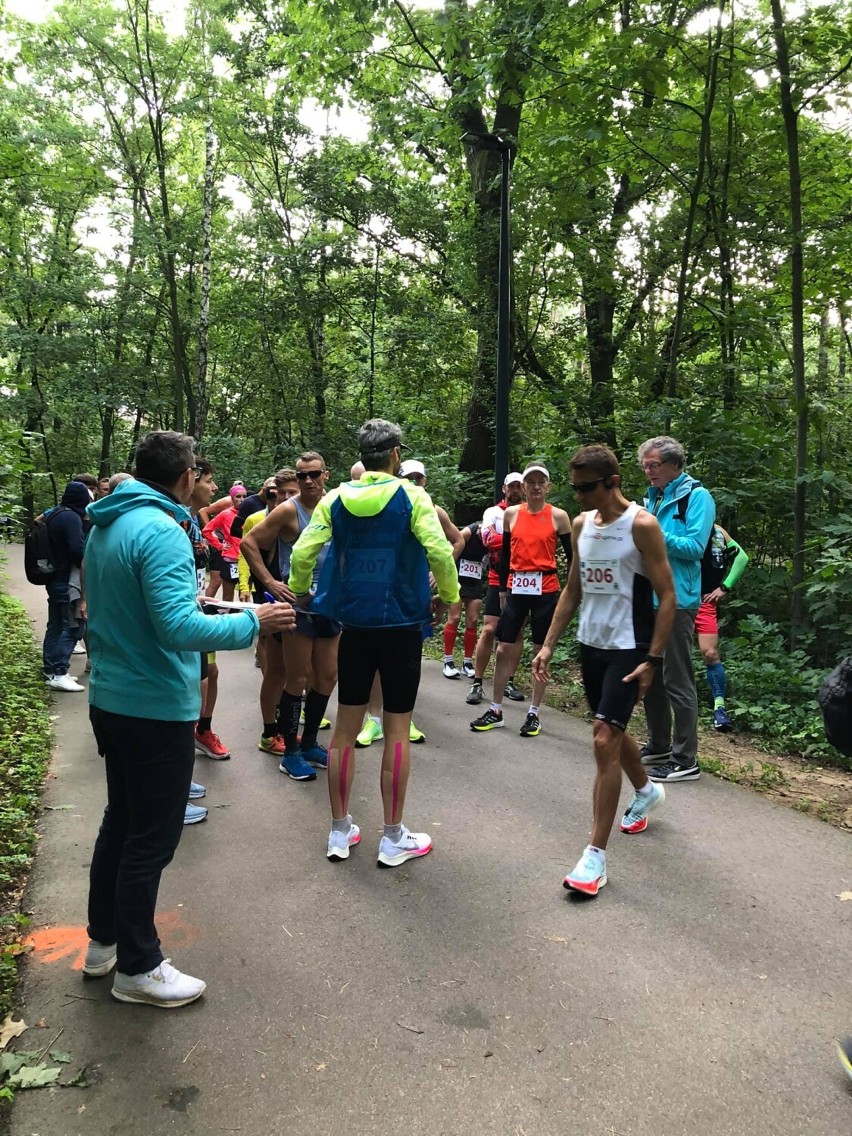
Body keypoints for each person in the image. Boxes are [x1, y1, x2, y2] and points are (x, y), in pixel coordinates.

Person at [81, 431, 294, 1008]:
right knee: (151, 837)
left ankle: (103, 945)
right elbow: (177, 629)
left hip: (112, 698)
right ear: (183, 476)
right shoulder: (160, 530)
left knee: (121, 824)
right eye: (199, 472)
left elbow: (137, 611)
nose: (203, 480)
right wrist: (255, 622)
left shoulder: (108, 524)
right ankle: (139, 967)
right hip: (151, 705)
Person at [289, 418, 460, 866]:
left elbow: (306, 550)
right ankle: (392, 837)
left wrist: (300, 586)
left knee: (345, 728)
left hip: (355, 624)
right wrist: (449, 596)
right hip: (402, 624)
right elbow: (441, 550)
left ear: (363, 456)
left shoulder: (336, 498)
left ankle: (340, 832)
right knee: (397, 730)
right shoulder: (412, 496)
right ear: (396, 454)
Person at [532, 445, 676, 896]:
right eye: (573, 487)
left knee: (601, 740)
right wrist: (549, 644)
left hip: (629, 648)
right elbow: (572, 589)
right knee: (607, 728)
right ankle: (646, 790)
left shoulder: (641, 525)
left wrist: (652, 658)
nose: (577, 496)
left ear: (612, 481)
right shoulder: (579, 525)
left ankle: (593, 857)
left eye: (585, 487)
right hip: (591, 645)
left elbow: (668, 595)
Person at [240, 452, 338, 781]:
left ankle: (309, 743)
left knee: (326, 677)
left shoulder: (337, 505)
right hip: (297, 608)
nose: (307, 481)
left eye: (313, 474)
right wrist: (269, 582)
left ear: (325, 475)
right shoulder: (288, 509)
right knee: (296, 677)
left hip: (331, 604)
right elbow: (249, 543)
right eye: (301, 475)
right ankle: (291, 753)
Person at [470, 463, 572, 737]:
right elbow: (504, 555)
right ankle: (496, 709)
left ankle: (534, 712)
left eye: (541, 482)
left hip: (545, 588)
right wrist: (502, 589)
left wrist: (569, 593)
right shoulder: (512, 515)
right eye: (531, 482)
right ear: (524, 486)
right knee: (504, 649)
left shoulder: (559, 516)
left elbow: (573, 558)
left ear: (548, 486)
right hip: (516, 587)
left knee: (541, 652)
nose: (536, 486)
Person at [637, 436, 715, 783]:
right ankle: (659, 744)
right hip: (647, 598)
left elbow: (696, 547)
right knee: (650, 674)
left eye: (654, 465)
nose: (648, 471)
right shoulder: (652, 499)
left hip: (678, 600)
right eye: (645, 466)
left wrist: (653, 532)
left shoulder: (696, 497)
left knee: (677, 678)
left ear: (674, 465)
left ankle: (686, 758)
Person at [238, 470, 297, 755]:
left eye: (290, 493)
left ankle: (287, 730)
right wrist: (259, 584)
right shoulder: (263, 523)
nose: (284, 498)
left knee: (297, 674)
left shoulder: (305, 520)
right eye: (279, 493)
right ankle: (269, 733)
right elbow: (245, 547)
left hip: (300, 609)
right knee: (276, 673)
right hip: (273, 607)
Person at [466, 472, 527, 706]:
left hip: (521, 578)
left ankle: (509, 680)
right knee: (489, 629)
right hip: (496, 574)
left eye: (517, 487)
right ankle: (478, 681)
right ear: (504, 489)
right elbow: (488, 540)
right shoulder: (493, 512)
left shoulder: (529, 512)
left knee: (518, 631)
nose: (514, 490)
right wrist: (522, 540)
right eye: (510, 486)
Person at [696, 526, 749, 732]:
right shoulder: (676, 521)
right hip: (678, 597)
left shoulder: (718, 531)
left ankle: (719, 707)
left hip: (705, 600)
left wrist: (725, 586)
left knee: (710, 653)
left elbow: (741, 557)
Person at [42, 480, 90, 692]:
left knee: (56, 624)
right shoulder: (71, 517)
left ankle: (51, 669)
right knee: (72, 625)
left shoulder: (54, 513)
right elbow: (77, 551)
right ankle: (59, 672)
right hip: (66, 579)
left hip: (54, 576)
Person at [442, 519, 487, 679]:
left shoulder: (495, 538)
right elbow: (453, 544)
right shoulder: (470, 531)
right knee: (454, 617)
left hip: (475, 580)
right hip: (457, 577)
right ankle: (448, 661)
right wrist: (444, 569)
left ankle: (467, 662)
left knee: (473, 620)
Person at [201, 485, 247, 602]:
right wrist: (219, 545)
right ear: (231, 499)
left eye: (244, 496)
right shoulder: (225, 514)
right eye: (238, 496)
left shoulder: (250, 513)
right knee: (227, 597)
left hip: (246, 558)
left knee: (245, 595)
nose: (241, 499)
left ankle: (245, 619)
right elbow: (207, 530)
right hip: (230, 559)